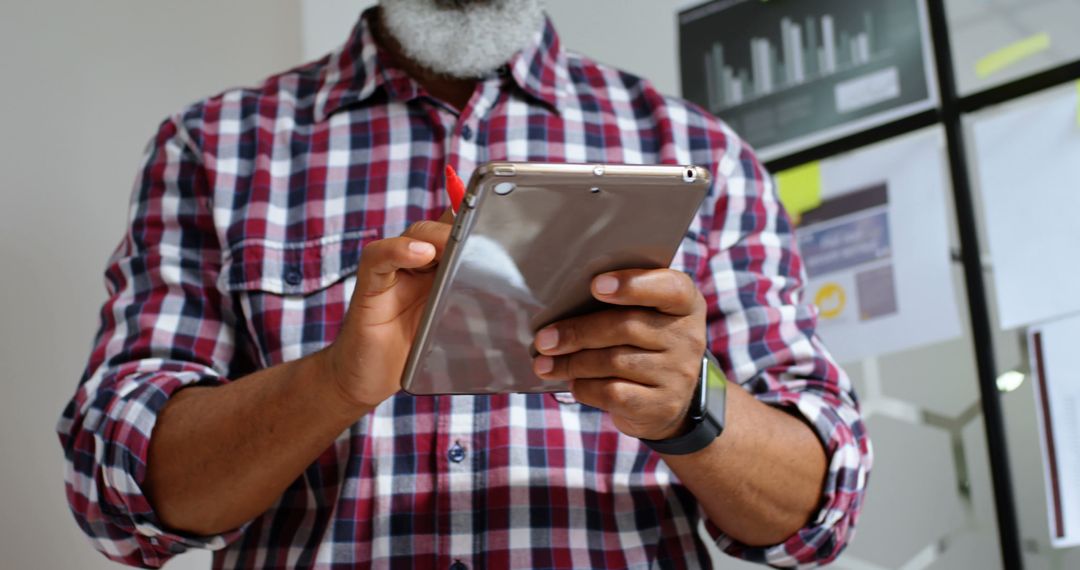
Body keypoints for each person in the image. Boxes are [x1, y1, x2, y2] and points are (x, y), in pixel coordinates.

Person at [58, 1, 871, 568]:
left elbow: (816, 513)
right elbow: (117, 498)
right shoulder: (214, 146)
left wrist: (687, 405)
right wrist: (332, 383)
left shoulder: (699, 149)